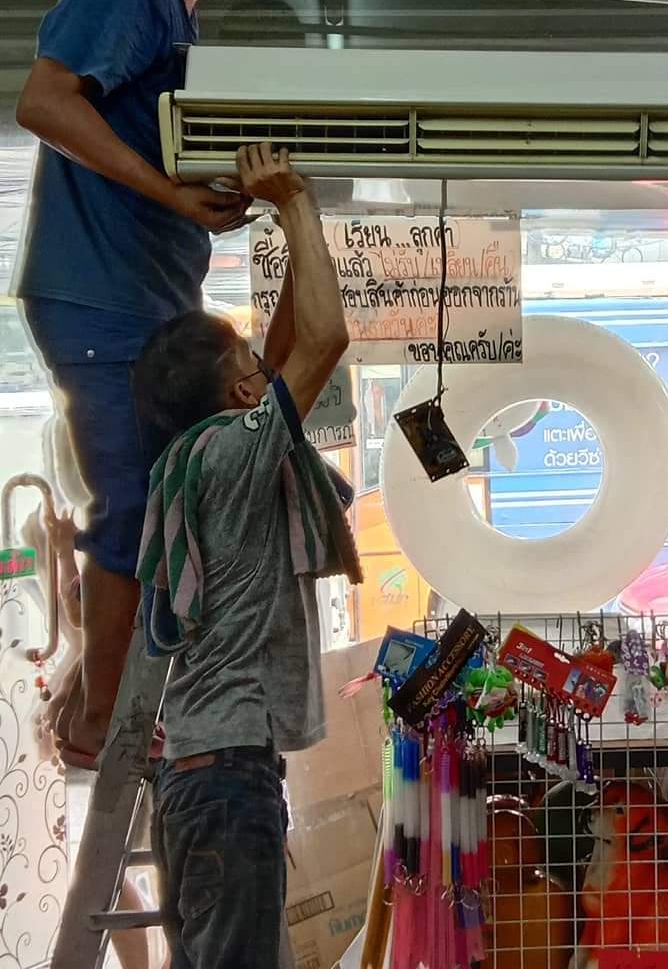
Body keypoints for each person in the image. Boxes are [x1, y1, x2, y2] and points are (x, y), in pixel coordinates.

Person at [13, 0, 280, 767]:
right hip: (104, 296)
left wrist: (204, 193)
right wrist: (171, 194)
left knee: (150, 504)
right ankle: (103, 722)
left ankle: (94, 702)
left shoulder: (173, 16)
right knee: (131, 506)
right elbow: (44, 103)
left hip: (143, 296)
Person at [132, 144, 359, 967]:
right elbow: (323, 339)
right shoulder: (234, 451)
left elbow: (288, 342)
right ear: (239, 395)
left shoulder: (193, 459)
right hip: (227, 784)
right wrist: (293, 202)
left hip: (201, 774)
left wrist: (300, 223)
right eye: (250, 367)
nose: (265, 370)